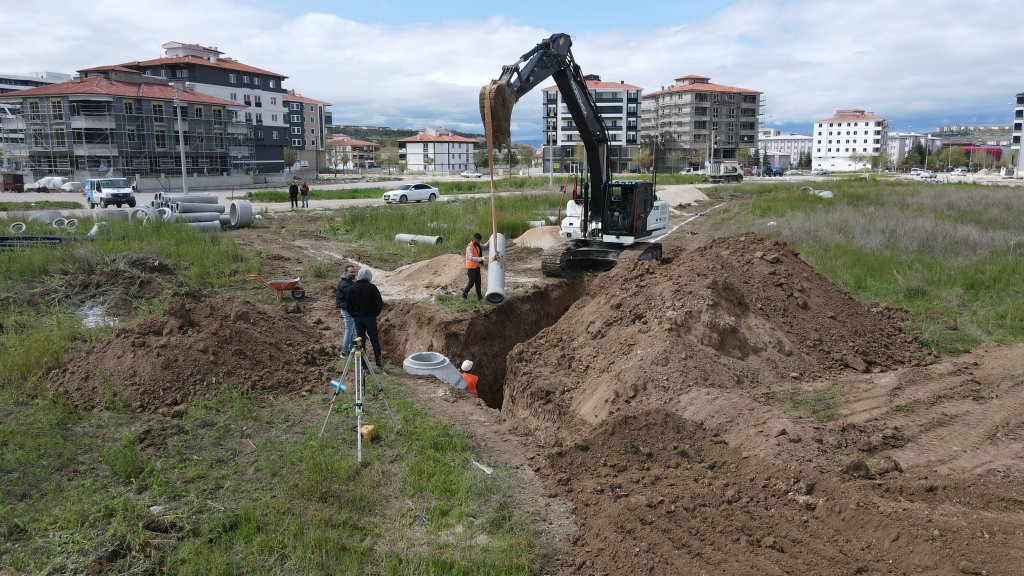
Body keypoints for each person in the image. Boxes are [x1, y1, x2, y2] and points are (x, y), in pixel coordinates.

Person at [346, 267, 384, 367]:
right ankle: (379, 364)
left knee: (361, 342)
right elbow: (379, 303)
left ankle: (364, 366)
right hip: (370, 318)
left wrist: (354, 315)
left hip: (358, 319)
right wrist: (376, 313)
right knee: (375, 341)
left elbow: (348, 306)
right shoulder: (372, 288)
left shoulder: (351, 288)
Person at [335, 264, 357, 356]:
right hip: (346, 309)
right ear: (346, 273)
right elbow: (352, 293)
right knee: (349, 330)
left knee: (352, 330)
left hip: (349, 308)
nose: (353, 273)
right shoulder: (344, 284)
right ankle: (344, 352)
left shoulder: (348, 281)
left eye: (354, 272)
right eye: (351, 272)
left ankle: (351, 348)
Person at [462, 232, 490, 301]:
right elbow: (471, 258)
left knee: (478, 282)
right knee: (471, 283)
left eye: (480, 241)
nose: (479, 242)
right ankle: (464, 296)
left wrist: (490, 239)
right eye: (478, 240)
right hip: (471, 267)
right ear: (475, 239)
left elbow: (484, 246)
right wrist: (481, 258)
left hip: (476, 267)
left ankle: (480, 298)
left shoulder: (478, 244)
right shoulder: (469, 247)